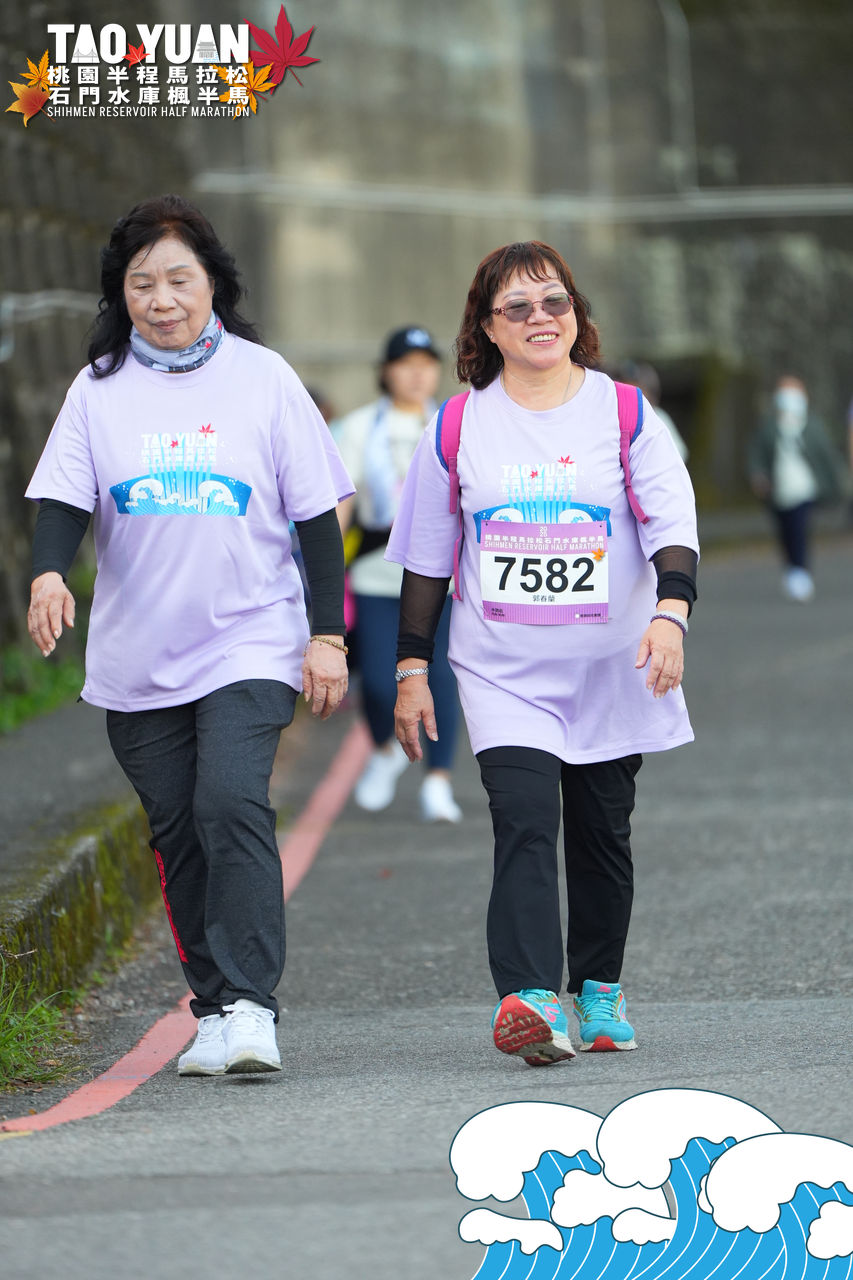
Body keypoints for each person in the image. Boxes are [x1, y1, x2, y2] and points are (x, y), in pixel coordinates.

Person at [25, 194, 352, 1077]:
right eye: (143, 284)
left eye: (179, 278)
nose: (162, 299)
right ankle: (212, 1006)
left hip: (251, 637)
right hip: (138, 652)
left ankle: (252, 1006)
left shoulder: (263, 378)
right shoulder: (96, 391)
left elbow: (315, 520)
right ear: (120, 293)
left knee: (229, 801)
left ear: (213, 283)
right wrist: (49, 573)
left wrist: (327, 635)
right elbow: (62, 501)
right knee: (176, 830)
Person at [386, 241, 699, 1066]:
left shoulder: (624, 414)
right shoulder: (456, 425)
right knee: (523, 819)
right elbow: (426, 560)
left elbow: (672, 526)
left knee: (600, 832)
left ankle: (597, 988)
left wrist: (670, 615)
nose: (539, 318)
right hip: (503, 670)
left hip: (610, 665)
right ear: (486, 327)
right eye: (517, 307)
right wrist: (411, 669)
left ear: (575, 313)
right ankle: (529, 998)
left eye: (553, 301)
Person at [335, 327, 463, 822]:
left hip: (442, 580)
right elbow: (341, 503)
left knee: (442, 676)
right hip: (376, 575)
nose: (416, 375)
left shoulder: (452, 423)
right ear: (385, 372)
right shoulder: (359, 428)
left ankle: (438, 781)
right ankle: (386, 749)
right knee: (377, 680)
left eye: (426, 364)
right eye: (405, 364)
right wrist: (326, 568)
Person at [748, 374, 844, 601]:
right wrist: (759, 476)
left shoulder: (813, 425)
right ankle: (792, 568)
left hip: (804, 489)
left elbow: (827, 457)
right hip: (779, 491)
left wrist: (838, 484)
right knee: (786, 531)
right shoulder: (770, 426)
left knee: (800, 528)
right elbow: (757, 454)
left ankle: (800, 572)